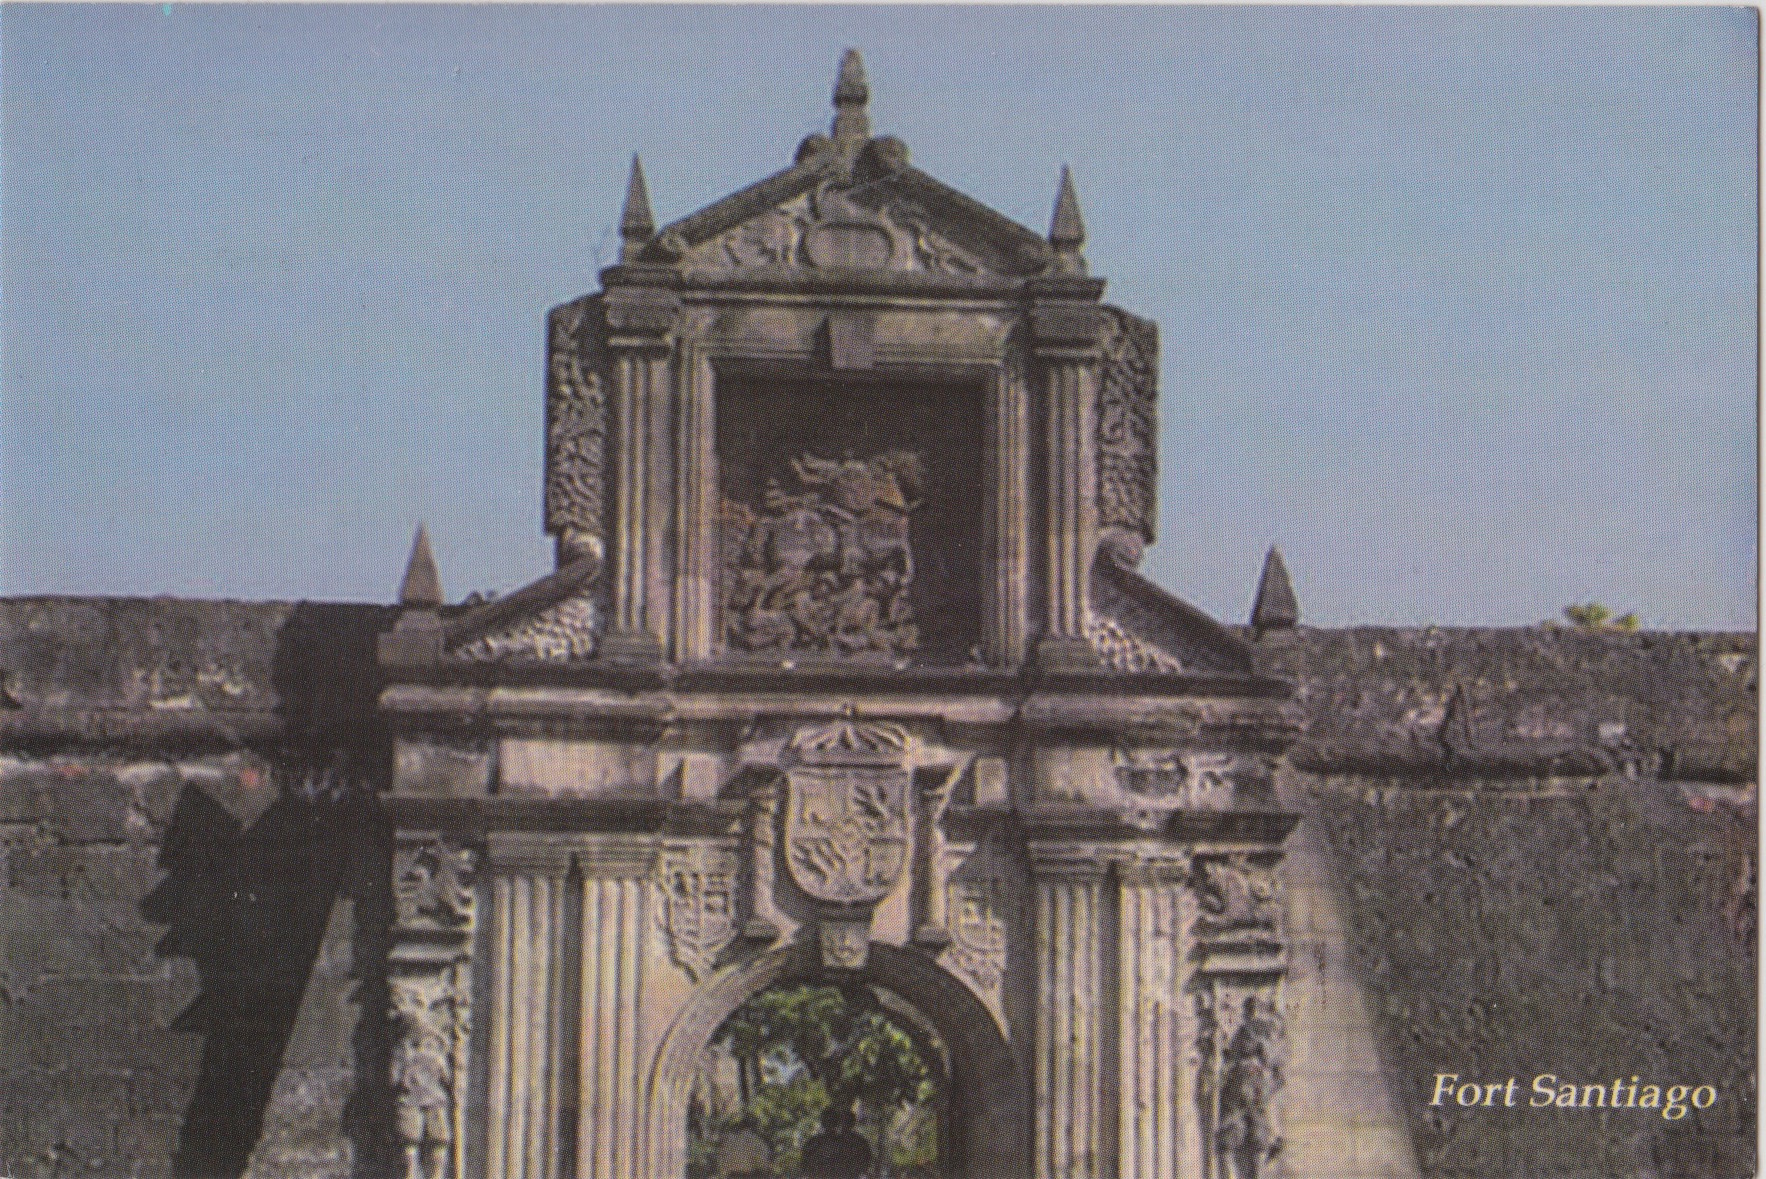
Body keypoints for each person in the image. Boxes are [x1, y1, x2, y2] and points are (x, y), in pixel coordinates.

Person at [799, 1105, 872, 1179]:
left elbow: (804, 1166)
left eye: (831, 1121)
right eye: (828, 1121)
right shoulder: (848, 1142)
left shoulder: (813, 1142)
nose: (829, 1123)